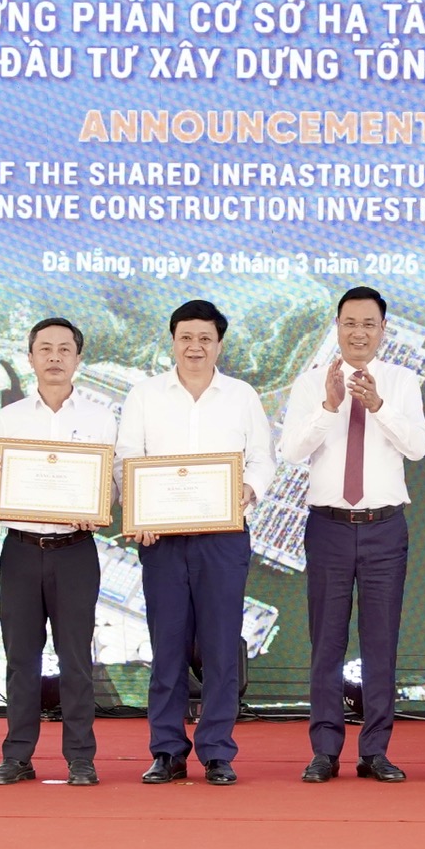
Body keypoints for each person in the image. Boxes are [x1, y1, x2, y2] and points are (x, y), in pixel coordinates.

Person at [116, 299, 275, 786]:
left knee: (221, 648)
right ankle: (167, 749)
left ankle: (217, 751)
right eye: (186, 337)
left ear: (219, 345)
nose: (195, 347)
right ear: (173, 342)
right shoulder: (145, 394)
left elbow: (263, 458)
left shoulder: (241, 396)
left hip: (223, 538)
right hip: (161, 539)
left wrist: (247, 490)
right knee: (166, 647)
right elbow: (127, 459)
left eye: (205, 338)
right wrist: (137, 512)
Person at [279, 287, 425, 784]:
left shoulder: (402, 382)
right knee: (326, 641)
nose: (359, 333)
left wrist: (379, 405)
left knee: (380, 641)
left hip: (384, 527)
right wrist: (329, 407)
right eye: (350, 323)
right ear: (337, 327)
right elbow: (291, 451)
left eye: (369, 324)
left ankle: (375, 751)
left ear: (383, 330)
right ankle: (325, 750)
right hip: (328, 527)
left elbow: (418, 447)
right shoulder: (311, 383)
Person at [0, 316, 114, 787]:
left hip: (75, 550)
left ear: (78, 358)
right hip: (20, 549)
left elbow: (114, 483)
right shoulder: (10, 417)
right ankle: (17, 755)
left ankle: (81, 757)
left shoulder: (99, 418)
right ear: (31, 357)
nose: (54, 357)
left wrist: (99, 505)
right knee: (21, 659)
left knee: (76, 659)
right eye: (45, 349)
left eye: (64, 349)